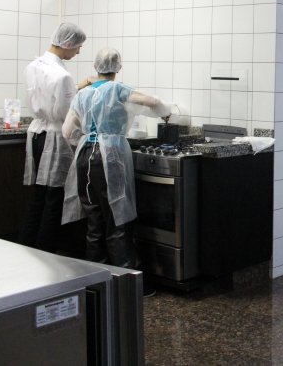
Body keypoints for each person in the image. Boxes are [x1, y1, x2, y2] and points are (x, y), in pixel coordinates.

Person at [62, 48, 171, 268]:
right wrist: (166, 112)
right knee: (117, 217)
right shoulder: (118, 89)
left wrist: (88, 138)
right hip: (110, 157)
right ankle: (123, 277)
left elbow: (67, 131)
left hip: (85, 155)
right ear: (118, 67)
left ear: (95, 67)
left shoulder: (82, 94)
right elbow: (151, 102)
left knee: (94, 219)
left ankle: (97, 277)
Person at [18, 22, 90, 253]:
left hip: (37, 134)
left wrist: (77, 88)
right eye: (78, 47)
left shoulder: (34, 65)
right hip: (56, 139)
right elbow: (66, 113)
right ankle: (46, 252)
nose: (78, 52)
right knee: (54, 197)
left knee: (38, 195)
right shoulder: (62, 75)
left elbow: (49, 100)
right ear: (67, 43)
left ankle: (26, 248)